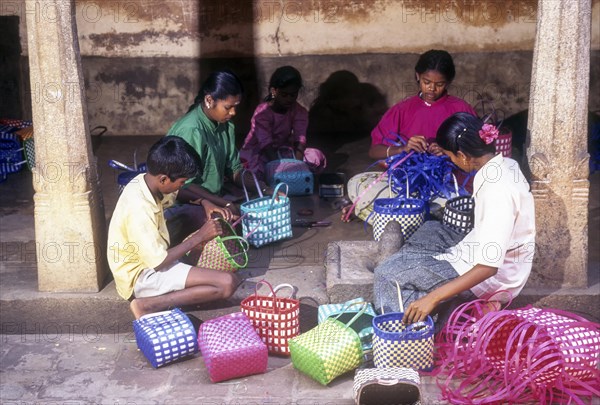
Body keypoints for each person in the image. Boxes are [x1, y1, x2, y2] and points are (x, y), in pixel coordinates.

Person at [373, 112, 536, 329]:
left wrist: (433, 298)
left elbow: (488, 267)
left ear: (463, 156)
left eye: (450, 156)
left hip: (491, 276)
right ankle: (414, 273)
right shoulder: (502, 164)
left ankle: (418, 330)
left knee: (387, 275)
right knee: (431, 228)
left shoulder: (497, 191)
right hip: (479, 247)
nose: (451, 161)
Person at [107, 137, 239, 319]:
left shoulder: (146, 180)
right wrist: (200, 237)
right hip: (140, 276)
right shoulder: (139, 209)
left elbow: (181, 193)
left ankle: (183, 276)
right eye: (181, 181)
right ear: (163, 179)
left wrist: (205, 202)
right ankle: (148, 305)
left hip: (153, 257)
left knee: (197, 213)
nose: (182, 186)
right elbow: (159, 261)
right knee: (227, 283)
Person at [342, 50, 476, 223]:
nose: (432, 89)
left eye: (440, 84)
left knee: (458, 203)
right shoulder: (402, 109)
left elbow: (477, 155)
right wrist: (403, 148)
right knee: (357, 183)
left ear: (448, 82)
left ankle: (395, 216)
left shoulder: (460, 109)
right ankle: (418, 216)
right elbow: (374, 151)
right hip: (405, 186)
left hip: (447, 186)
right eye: (427, 82)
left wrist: (447, 152)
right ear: (417, 76)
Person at [166, 69, 268, 244]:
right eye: (228, 107)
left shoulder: (226, 126)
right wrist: (221, 203)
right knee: (222, 222)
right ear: (209, 100)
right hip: (187, 202)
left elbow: (235, 169)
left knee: (256, 208)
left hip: (214, 196)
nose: (233, 113)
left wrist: (265, 190)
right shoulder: (191, 130)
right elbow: (181, 187)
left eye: (236, 106)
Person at [239, 65, 326, 180]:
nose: (289, 99)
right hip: (259, 153)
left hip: (282, 152)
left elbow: (300, 139)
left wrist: (296, 167)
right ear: (274, 91)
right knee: (252, 169)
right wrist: (282, 170)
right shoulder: (262, 113)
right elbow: (266, 145)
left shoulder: (299, 111)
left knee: (315, 157)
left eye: (293, 95)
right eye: (284, 95)